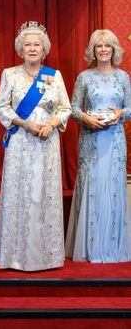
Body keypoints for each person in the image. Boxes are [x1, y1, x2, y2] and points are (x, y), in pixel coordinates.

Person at [0, 21, 71, 271]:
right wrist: (25, 124)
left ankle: (46, 257)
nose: (32, 48)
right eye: (27, 44)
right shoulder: (10, 74)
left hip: (46, 143)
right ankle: (15, 257)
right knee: (20, 194)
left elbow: (65, 108)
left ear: (44, 48)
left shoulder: (53, 76)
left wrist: (51, 123)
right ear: (20, 49)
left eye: (37, 44)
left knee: (43, 193)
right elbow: (1, 108)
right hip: (20, 142)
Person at [65, 29, 131, 263]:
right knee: (92, 186)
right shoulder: (84, 77)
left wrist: (120, 113)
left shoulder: (123, 77)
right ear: (93, 50)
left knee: (112, 188)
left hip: (114, 141)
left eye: (107, 46)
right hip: (90, 140)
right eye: (98, 46)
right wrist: (86, 119)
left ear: (114, 50)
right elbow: (72, 109)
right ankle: (89, 248)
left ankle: (113, 247)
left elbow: (130, 109)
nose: (103, 50)